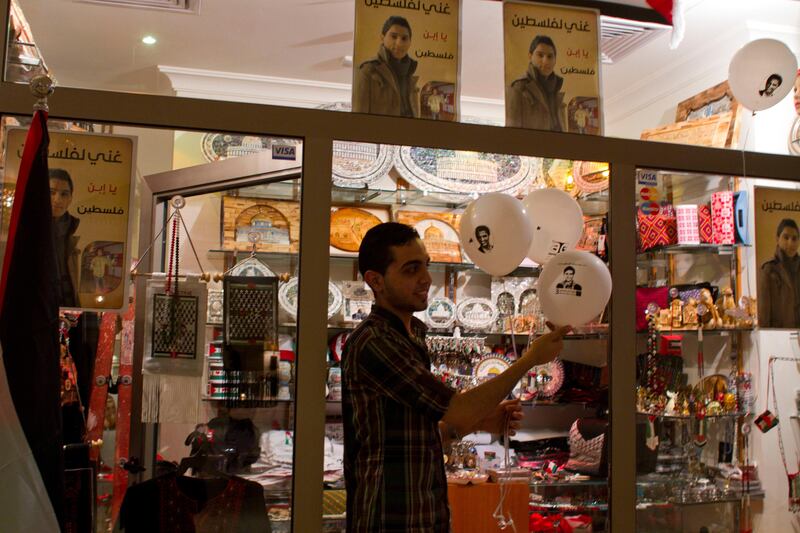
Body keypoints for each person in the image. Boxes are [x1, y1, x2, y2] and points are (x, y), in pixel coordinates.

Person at [342, 222, 569, 532]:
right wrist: (528, 360)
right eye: (411, 270)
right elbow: (456, 409)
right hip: (390, 517)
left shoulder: (411, 335)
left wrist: (480, 422)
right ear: (375, 281)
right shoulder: (375, 342)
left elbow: (413, 437)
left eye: (426, 266)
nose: (426, 279)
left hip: (425, 513)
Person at [353, 16, 420, 118]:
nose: (399, 43)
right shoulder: (367, 70)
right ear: (382, 37)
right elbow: (358, 121)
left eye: (404, 38)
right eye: (394, 36)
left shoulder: (410, 75)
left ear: (410, 42)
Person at [506, 35, 567, 131]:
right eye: (540, 55)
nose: (546, 61)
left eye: (550, 56)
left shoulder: (557, 91)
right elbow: (512, 136)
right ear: (530, 56)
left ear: (555, 60)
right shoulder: (517, 88)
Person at [758, 218, 800, 328]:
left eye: (794, 238)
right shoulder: (769, 269)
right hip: (777, 338)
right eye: (786, 237)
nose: (790, 243)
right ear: (777, 238)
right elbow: (764, 314)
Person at [50, 168, 80, 307]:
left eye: (64, 194)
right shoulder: (29, 232)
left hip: (70, 312)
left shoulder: (72, 233)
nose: (57, 200)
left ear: (70, 199)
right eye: (51, 192)